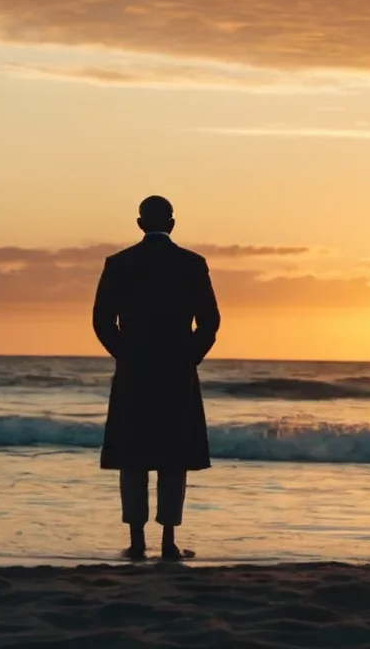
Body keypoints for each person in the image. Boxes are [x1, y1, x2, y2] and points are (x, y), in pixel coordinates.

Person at [91, 195, 221, 560]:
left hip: (135, 370)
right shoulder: (192, 264)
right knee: (173, 457)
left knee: (133, 456)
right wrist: (188, 357)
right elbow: (210, 322)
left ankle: (136, 543)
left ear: (139, 223)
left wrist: (126, 354)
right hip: (176, 370)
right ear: (173, 223)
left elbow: (102, 321)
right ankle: (167, 542)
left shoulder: (119, 263)